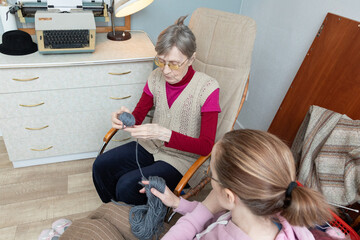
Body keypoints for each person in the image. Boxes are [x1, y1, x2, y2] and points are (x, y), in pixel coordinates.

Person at [57, 129, 337, 240]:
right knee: (108, 209)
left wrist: (203, 208)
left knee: (86, 229)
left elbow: (206, 222)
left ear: (229, 195)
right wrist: (178, 203)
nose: (208, 181)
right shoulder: (278, 212)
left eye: (211, 176)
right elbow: (221, 217)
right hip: (198, 225)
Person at [92, 16, 221, 205]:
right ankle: (114, 210)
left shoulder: (208, 88)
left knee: (126, 185)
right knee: (100, 166)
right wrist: (123, 118)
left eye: (174, 64)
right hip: (150, 146)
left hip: (182, 159)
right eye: (161, 61)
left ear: (192, 58)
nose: (166, 71)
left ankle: (129, 212)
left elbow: (206, 146)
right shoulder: (155, 77)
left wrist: (165, 134)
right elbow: (138, 116)